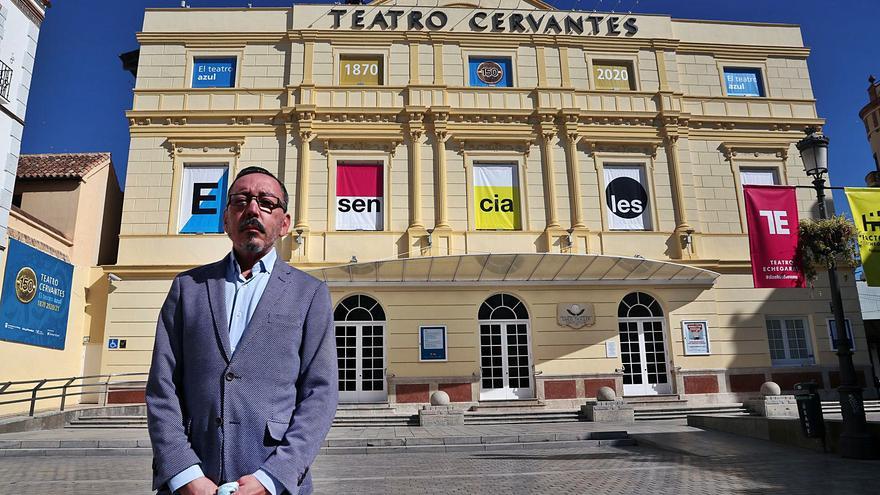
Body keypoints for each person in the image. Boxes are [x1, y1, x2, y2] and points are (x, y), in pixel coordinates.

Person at [146, 166, 338, 495]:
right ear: (225, 219)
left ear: (284, 223)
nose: (252, 209)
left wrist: (273, 477)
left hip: (274, 482)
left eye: (266, 202)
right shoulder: (188, 288)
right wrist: (184, 473)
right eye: (241, 200)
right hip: (194, 481)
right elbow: (163, 387)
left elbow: (320, 393)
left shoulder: (310, 293)